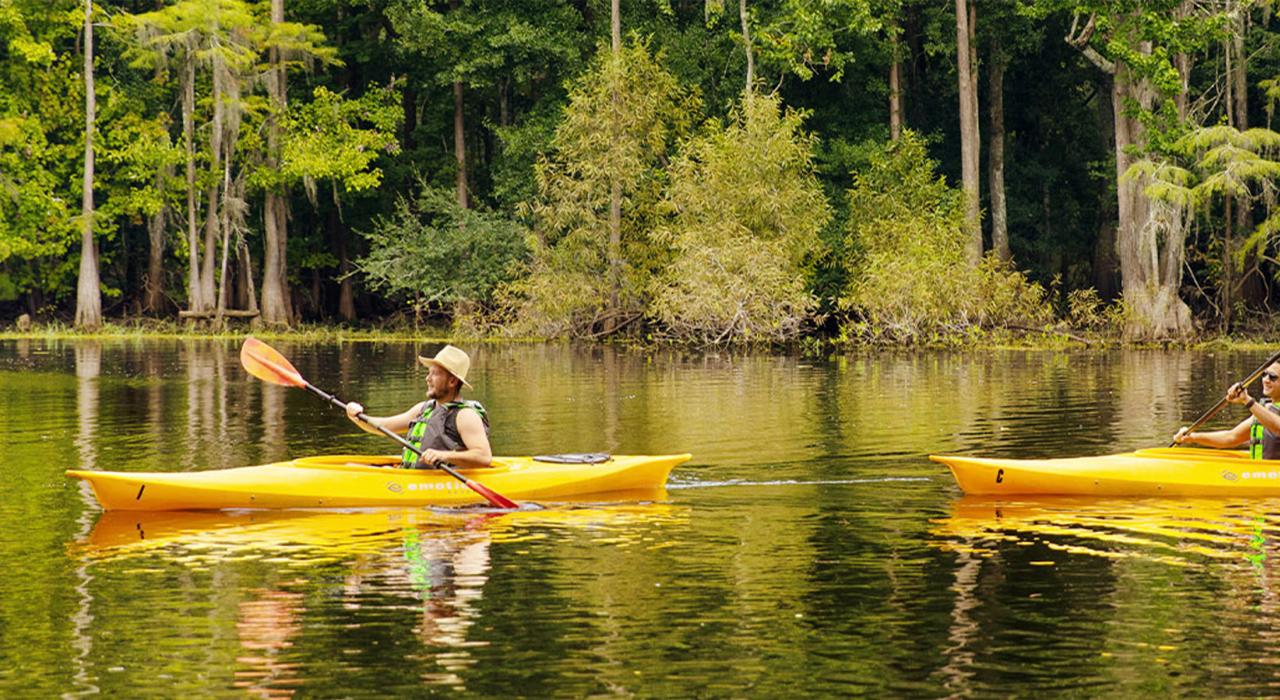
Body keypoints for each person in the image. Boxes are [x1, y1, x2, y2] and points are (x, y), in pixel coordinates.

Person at [345, 345, 492, 469]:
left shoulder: (465, 416)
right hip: (410, 476)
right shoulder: (424, 408)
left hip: (439, 483)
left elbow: (484, 456)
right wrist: (357, 416)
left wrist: (443, 455)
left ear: (452, 381)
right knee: (350, 467)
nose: (427, 379)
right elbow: (385, 426)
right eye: (429, 373)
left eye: (434, 374)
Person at [1173, 362, 1280, 459]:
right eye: (1264, 374)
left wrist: (1246, 399)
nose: (1266, 380)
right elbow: (1231, 437)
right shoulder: (1264, 409)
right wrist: (1192, 437)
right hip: (1258, 473)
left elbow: (1277, 427)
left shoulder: (1260, 411)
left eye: (1272, 377)